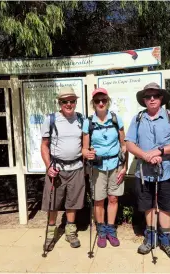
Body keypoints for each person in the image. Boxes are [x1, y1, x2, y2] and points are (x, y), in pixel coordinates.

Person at [125, 82, 170, 259]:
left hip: (166, 170)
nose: (151, 99)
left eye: (155, 95)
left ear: (161, 98)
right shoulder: (137, 118)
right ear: (144, 100)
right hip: (144, 172)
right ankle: (150, 238)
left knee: (166, 207)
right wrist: (146, 156)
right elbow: (129, 143)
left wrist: (160, 151)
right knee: (148, 206)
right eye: (148, 96)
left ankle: (166, 241)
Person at [40, 86, 85, 250]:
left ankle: (70, 231)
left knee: (73, 202)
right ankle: (51, 233)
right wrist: (48, 167)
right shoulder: (51, 119)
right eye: (65, 101)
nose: (69, 104)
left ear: (75, 102)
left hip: (77, 167)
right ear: (60, 103)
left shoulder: (81, 119)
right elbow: (44, 146)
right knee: (53, 203)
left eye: (72, 101)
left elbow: (86, 142)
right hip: (56, 168)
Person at [82, 87, 128, 248]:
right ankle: (101, 231)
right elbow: (84, 148)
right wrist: (87, 154)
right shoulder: (88, 123)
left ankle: (110, 230)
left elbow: (124, 146)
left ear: (107, 101)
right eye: (97, 100)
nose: (100, 103)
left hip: (115, 165)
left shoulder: (116, 120)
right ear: (93, 103)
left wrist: (124, 167)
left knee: (113, 198)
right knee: (99, 200)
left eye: (103, 100)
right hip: (97, 167)